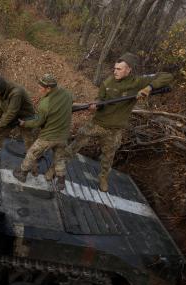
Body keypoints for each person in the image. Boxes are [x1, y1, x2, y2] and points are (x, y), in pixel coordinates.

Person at [65, 52, 173, 192]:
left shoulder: (138, 82)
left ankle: (103, 178)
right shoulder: (107, 82)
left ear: (129, 70)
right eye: (115, 68)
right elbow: (100, 98)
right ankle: (59, 164)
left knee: (108, 157)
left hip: (114, 129)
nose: (115, 71)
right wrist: (95, 105)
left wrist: (149, 88)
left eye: (119, 69)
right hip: (97, 123)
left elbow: (167, 76)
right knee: (76, 143)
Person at [12, 74, 72, 191]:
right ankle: (61, 182)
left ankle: (23, 174)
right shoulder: (67, 94)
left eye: (41, 88)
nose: (39, 90)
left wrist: (24, 124)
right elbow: (71, 103)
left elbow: (37, 123)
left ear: (48, 88)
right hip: (63, 136)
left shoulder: (45, 103)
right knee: (59, 158)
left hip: (48, 137)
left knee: (32, 153)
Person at [0, 75, 36, 167]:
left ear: (0, 90)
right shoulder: (1, 92)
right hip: (12, 116)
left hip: (25, 117)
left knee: (28, 141)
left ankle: (32, 165)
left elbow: (11, 113)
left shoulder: (16, 93)